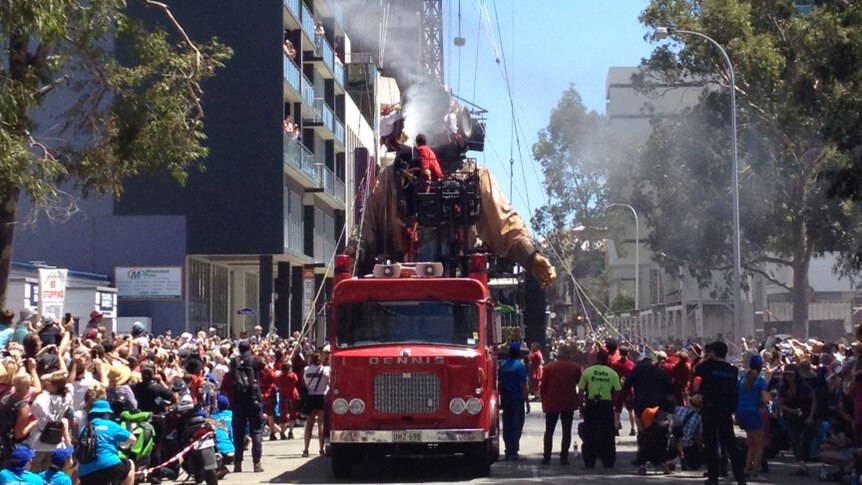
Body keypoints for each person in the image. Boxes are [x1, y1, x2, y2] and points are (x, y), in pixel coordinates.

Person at [694, 341, 745, 485]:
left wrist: (707, 358)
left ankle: (713, 478)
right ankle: (740, 477)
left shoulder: (708, 366)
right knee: (730, 444)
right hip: (725, 410)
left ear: (713, 353)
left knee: (711, 444)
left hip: (710, 408)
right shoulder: (732, 370)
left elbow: (696, 370)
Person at [222, 340, 264, 473]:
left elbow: (230, 375)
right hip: (253, 400)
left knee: (238, 432)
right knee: (256, 431)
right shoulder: (255, 360)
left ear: (239, 349)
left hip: (238, 401)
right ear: (250, 348)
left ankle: (238, 463)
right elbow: (265, 369)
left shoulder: (234, 361)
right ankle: (256, 463)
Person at [577, 349, 621, 468]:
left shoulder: (588, 371)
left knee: (590, 433)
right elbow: (618, 391)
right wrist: (612, 399)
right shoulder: (612, 373)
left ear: (596, 358)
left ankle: (589, 461)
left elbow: (580, 391)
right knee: (608, 433)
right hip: (606, 405)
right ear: (607, 359)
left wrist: (580, 406)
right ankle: (608, 460)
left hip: (591, 404)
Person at [539, 343, 581, 465]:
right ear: (569, 354)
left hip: (552, 402)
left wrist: (543, 400)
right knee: (566, 431)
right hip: (568, 402)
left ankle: (547, 456)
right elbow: (580, 383)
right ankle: (564, 457)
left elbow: (543, 387)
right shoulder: (575, 368)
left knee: (549, 431)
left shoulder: (548, 368)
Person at [78, 400, 137, 485]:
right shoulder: (110, 425)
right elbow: (132, 439)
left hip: (84, 472)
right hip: (109, 465)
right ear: (106, 414)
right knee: (130, 464)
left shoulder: (83, 430)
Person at [27, 372, 72, 472]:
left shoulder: (42, 398)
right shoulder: (66, 398)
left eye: (49, 382)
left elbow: (33, 412)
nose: (46, 383)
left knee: (34, 467)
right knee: (47, 469)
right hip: (55, 439)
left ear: (55, 387)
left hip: (39, 439)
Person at [779, 363, 816, 476]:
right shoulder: (783, 388)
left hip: (805, 415)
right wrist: (791, 410)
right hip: (791, 416)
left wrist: (811, 416)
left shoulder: (804, 386)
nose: (788, 377)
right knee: (794, 440)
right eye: (786, 375)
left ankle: (803, 462)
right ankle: (801, 464)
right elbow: (781, 404)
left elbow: (814, 400)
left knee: (807, 440)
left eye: (790, 375)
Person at [736, 354, 768, 480]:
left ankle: (747, 467)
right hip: (753, 412)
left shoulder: (742, 378)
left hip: (741, 411)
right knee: (760, 444)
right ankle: (755, 473)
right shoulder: (760, 381)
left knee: (751, 442)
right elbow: (765, 399)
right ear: (761, 367)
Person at [624, 353, 673, 432]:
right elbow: (670, 389)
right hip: (658, 404)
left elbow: (627, 385)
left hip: (641, 403)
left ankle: (642, 435)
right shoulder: (660, 371)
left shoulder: (637, 370)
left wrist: (629, 396)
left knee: (639, 419)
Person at [499, 343, 530, 461]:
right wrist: (527, 401)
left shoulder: (503, 365)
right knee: (516, 424)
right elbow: (522, 385)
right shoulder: (519, 366)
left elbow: (500, 383)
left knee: (507, 424)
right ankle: (514, 450)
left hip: (506, 398)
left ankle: (508, 449)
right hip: (516, 399)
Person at [301, 352, 329, 458]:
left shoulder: (306, 369)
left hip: (310, 397)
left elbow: (305, 382)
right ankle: (321, 449)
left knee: (309, 424)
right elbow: (328, 382)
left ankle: (306, 449)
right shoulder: (325, 370)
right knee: (321, 424)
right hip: (321, 397)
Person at [211, 395, 235, 472]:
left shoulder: (213, 417)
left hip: (220, 452)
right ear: (228, 404)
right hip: (232, 451)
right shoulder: (232, 414)